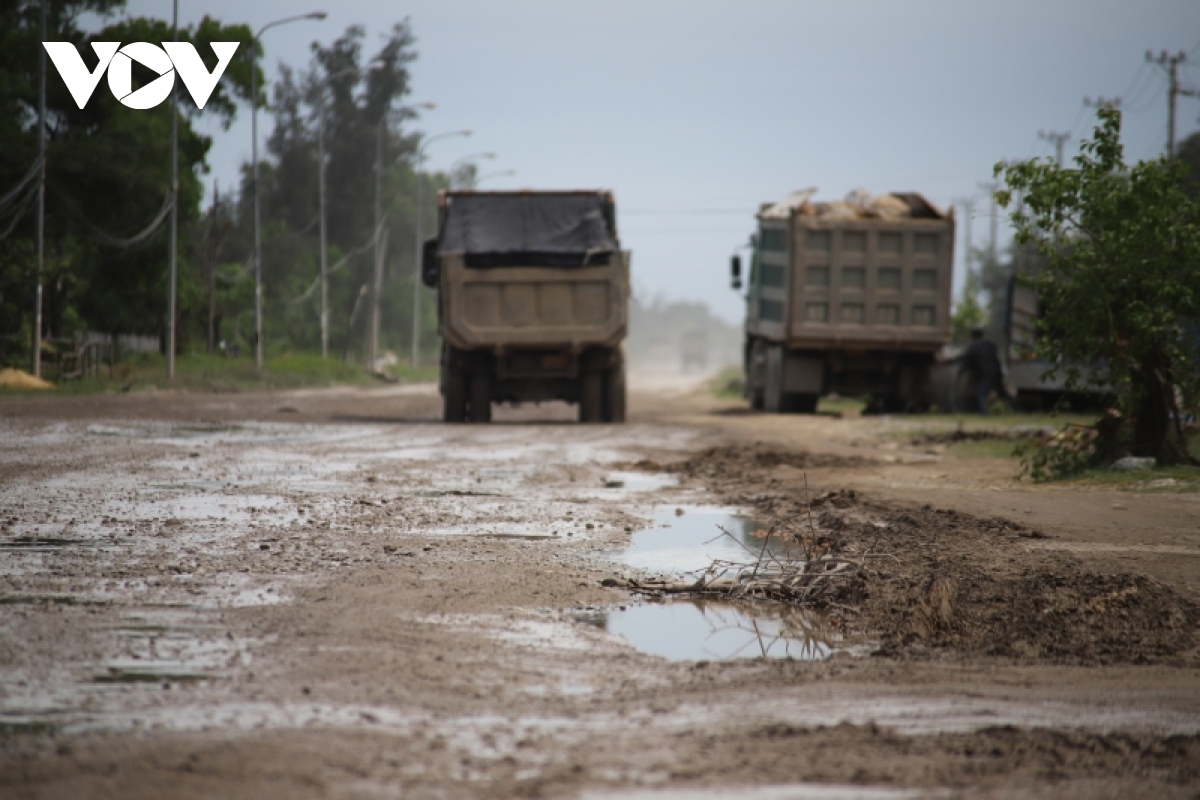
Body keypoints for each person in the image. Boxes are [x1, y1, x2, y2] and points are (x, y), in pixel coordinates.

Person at [963, 327, 1008, 414]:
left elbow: (965, 357)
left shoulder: (975, 347)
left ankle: (984, 412)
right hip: (997, 373)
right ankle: (1015, 407)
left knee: (981, 393)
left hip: (987, 374)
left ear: (974, 336)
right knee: (1002, 393)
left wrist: (949, 360)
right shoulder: (990, 344)